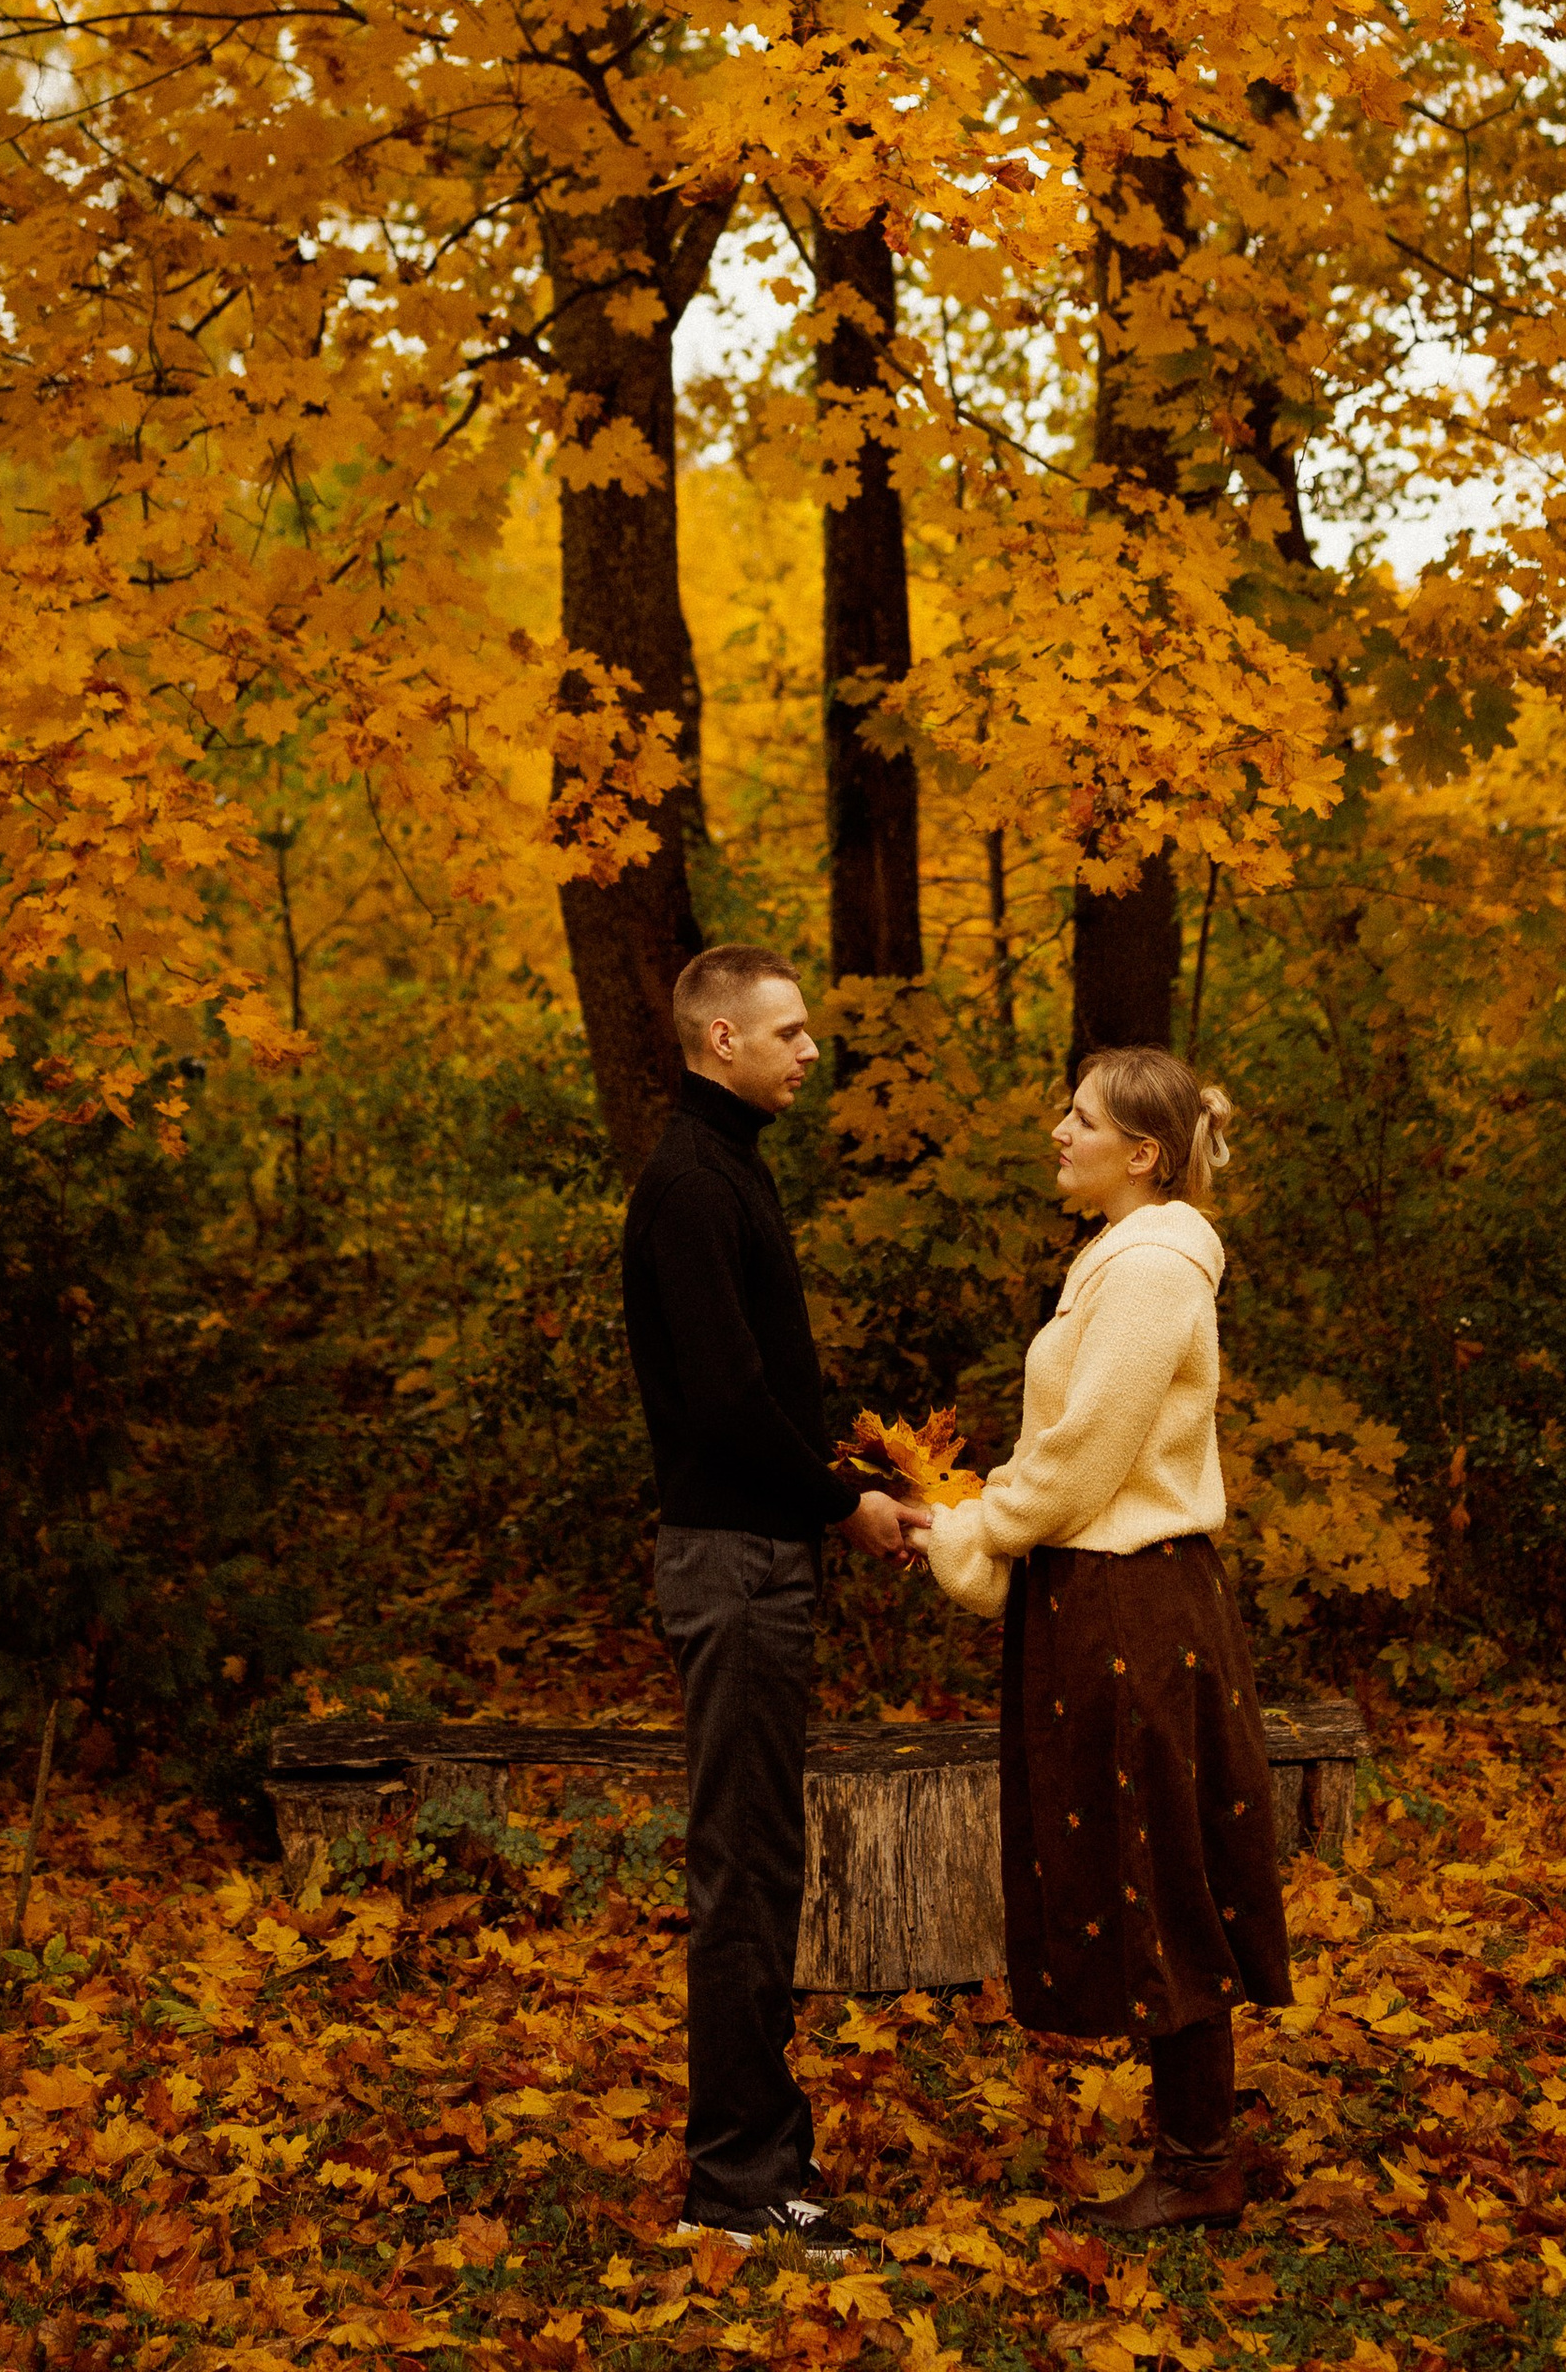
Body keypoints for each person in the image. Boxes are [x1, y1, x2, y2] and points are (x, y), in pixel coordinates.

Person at [919, 1045, 1290, 2232]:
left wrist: (982, 1528)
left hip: (1129, 1596)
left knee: (1155, 1863)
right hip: (1112, 1592)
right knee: (1157, 1856)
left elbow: (1088, 1453)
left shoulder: (1151, 1267)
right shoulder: (1122, 1256)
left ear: (1143, 1152)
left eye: (1078, 1119)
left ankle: (1194, 2164)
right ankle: (1201, 2146)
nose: (1057, 1133)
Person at [620, 943, 915, 2265]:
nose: (809, 1052)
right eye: (786, 1032)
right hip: (731, 1567)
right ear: (718, 1039)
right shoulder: (688, 1184)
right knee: (744, 1868)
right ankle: (738, 2180)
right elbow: (727, 1405)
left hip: (760, 1555)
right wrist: (838, 1505)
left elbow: (771, 1396)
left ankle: (757, 2158)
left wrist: (861, 1479)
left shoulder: (731, 1167)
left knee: (765, 1859)